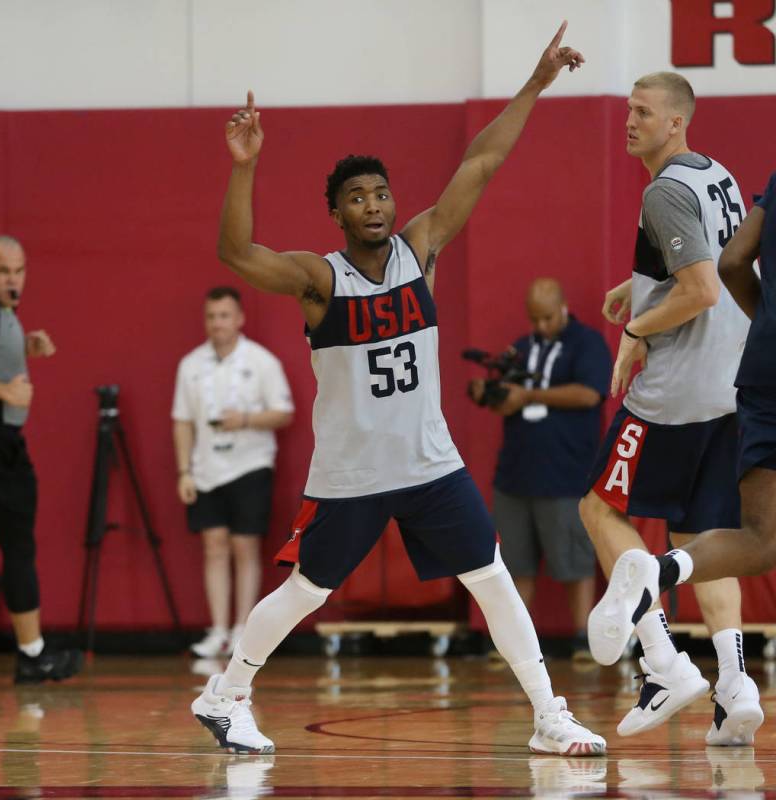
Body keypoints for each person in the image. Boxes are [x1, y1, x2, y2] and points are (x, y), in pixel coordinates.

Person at [190, 23, 607, 757]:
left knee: (491, 575)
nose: (375, 205)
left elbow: (482, 161)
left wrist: (537, 82)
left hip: (429, 464)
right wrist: (244, 166)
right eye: (357, 197)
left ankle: (548, 713)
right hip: (352, 476)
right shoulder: (320, 280)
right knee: (307, 593)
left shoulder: (421, 249)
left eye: (381, 193)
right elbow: (234, 252)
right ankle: (224, 695)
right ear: (338, 213)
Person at [578, 73, 763, 744]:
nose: (629, 120)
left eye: (642, 111)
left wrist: (636, 331)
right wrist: (641, 285)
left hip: (676, 394)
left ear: (675, 123)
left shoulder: (661, 192)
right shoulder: (717, 173)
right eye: (628, 108)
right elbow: (725, 263)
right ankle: (736, 686)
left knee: (598, 508)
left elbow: (705, 288)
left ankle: (663, 665)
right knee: (699, 537)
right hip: (732, 386)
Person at [468, 278, 610, 659]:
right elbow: (507, 401)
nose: (541, 326)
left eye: (547, 317)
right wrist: (492, 396)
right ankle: (517, 645)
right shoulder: (523, 347)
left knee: (573, 559)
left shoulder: (587, 343)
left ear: (563, 307)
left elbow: (590, 393)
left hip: (565, 472)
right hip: (516, 473)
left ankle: (583, 639)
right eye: (534, 319)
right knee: (515, 562)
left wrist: (529, 395)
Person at [0, 235, 82, 683]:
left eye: (19, 271)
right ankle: (32, 655)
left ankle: (33, 653)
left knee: (14, 550)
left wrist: (27, 348)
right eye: (3, 271)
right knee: (18, 549)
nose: (13, 279)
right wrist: (3, 391)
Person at [173, 286, 294, 658]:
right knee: (213, 546)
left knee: (244, 545)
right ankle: (218, 629)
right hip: (208, 468)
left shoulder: (261, 361)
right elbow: (182, 421)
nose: (217, 324)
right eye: (211, 316)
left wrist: (245, 419)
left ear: (239, 319)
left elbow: (284, 413)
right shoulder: (190, 364)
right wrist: (184, 471)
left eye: (224, 316)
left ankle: (243, 627)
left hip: (250, 464)